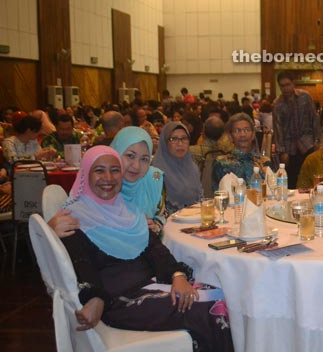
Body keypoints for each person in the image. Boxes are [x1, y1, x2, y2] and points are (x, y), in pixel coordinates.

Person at [59, 146, 233, 351]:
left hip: (152, 285)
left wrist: (178, 275)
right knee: (208, 312)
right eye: (99, 170)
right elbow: (81, 265)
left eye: (115, 170)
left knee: (222, 297)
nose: (108, 177)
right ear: (85, 174)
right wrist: (95, 298)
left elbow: (155, 249)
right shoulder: (73, 219)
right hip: (117, 301)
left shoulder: (127, 210)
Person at [49, 126, 166, 237]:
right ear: (115, 153)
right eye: (130, 156)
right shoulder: (102, 185)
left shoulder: (153, 179)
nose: (136, 166)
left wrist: (155, 226)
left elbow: (161, 215)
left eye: (144, 159)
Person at [273, 71, 321, 188]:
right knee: (292, 181)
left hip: (308, 143)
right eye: (282, 86)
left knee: (311, 176)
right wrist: (282, 151)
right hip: (289, 149)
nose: (285, 88)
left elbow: (314, 119)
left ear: (293, 83)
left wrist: (317, 141)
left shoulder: (305, 97)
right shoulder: (277, 104)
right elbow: (278, 129)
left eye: (288, 84)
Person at [152, 122, 203, 214]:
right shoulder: (156, 172)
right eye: (174, 139)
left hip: (194, 219)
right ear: (165, 142)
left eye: (184, 138)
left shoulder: (192, 167)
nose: (180, 143)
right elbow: (156, 208)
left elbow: (200, 198)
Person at [212, 113, 271, 185]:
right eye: (237, 131)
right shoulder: (222, 163)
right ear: (230, 136)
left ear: (253, 135)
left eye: (246, 130)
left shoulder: (264, 162)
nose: (242, 135)